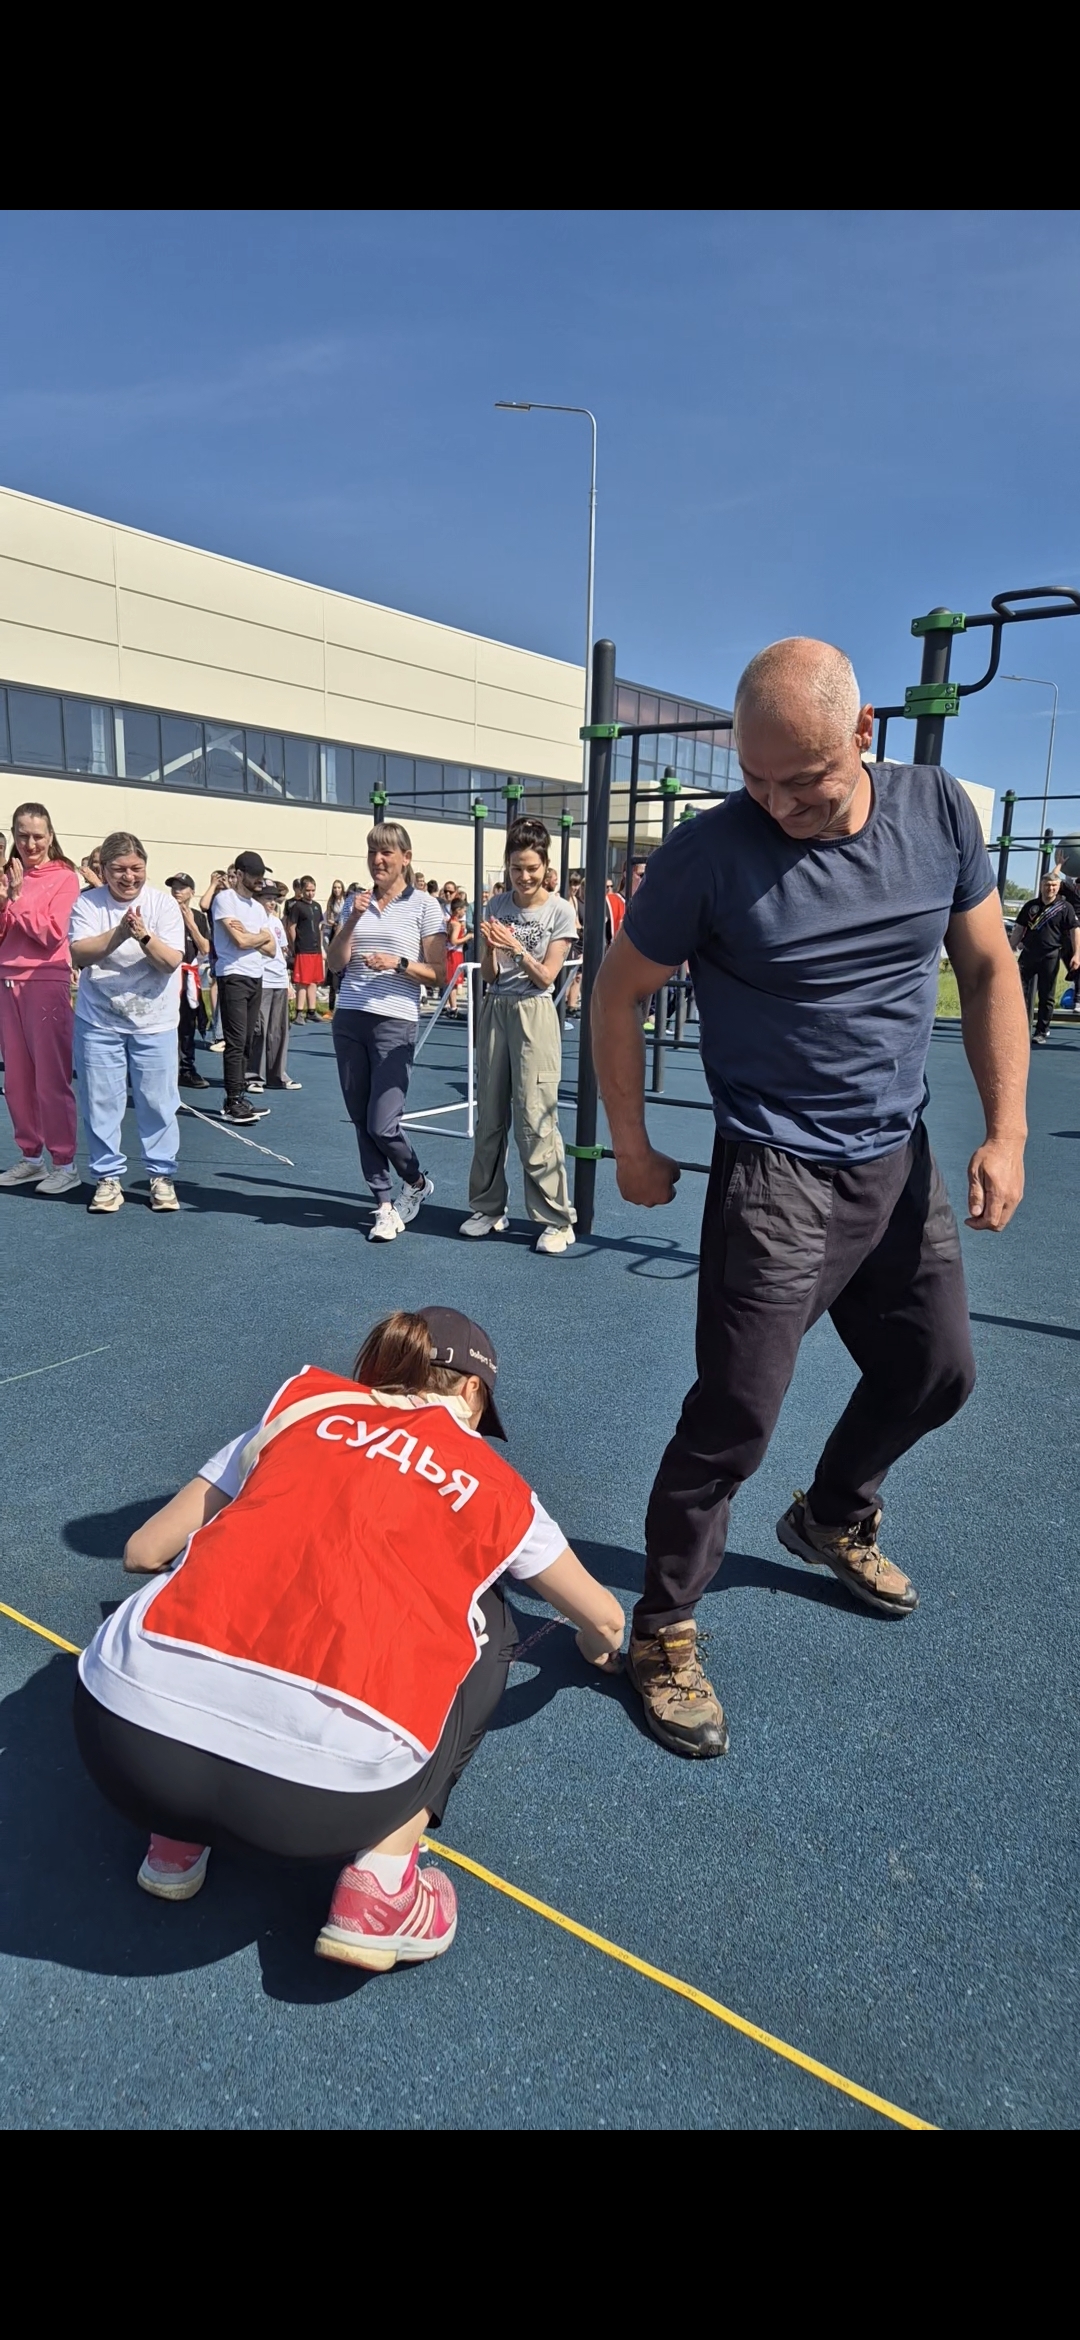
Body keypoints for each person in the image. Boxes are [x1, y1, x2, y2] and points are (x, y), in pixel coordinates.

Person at [592, 636, 1028, 1759]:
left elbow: (988, 966)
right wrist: (632, 1144)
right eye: (756, 779)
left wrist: (1008, 1130)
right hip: (775, 1174)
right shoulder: (706, 856)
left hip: (897, 1158)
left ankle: (832, 1513)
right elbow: (616, 992)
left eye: (805, 780)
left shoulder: (938, 812)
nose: (778, 804)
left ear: (864, 734)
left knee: (938, 1371)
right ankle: (663, 1627)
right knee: (735, 1415)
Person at [74, 1306, 625, 1967]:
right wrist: (598, 1647)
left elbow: (143, 1550)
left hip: (123, 1750)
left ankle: (174, 1842)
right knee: (489, 1617)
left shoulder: (302, 1405)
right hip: (321, 1802)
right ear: (473, 1391)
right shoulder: (498, 1485)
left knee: (230, 1559)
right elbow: (605, 1618)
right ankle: (382, 1884)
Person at [462, 816, 579, 1255]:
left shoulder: (560, 910)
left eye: (531, 868)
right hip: (496, 1008)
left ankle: (556, 1219)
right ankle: (488, 1207)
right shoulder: (496, 904)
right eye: (516, 868)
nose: (524, 877)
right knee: (489, 1116)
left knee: (535, 1118)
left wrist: (516, 947)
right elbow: (490, 975)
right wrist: (492, 949)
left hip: (534, 1012)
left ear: (546, 867)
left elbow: (546, 976)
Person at [327, 823, 446, 1242]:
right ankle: (382, 1204)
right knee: (361, 1119)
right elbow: (336, 963)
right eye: (372, 852)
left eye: (386, 853)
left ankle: (414, 1180)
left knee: (383, 1123)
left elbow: (438, 973)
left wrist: (398, 963)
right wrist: (352, 920)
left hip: (395, 1020)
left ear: (405, 858)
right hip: (350, 1016)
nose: (377, 860)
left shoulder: (426, 905)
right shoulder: (353, 902)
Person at [69, 831, 185, 1213]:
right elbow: (79, 953)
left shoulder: (163, 905)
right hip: (99, 1021)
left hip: (155, 1022)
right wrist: (120, 933)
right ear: (103, 869)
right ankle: (107, 1178)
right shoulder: (88, 903)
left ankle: (161, 1175)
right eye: (119, 869)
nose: (129, 877)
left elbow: (170, 961)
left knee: (158, 1102)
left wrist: (143, 935)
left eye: (136, 868)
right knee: (100, 1101)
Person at [0, 801, 81, 1196]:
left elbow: (51, 934)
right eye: (22, 836)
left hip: (45, 980)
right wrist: (4, 901)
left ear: (50, 836)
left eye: (37, 836)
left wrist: (15, 900)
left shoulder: (64, 877)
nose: (30, 844)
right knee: (16, 1081)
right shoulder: (9, 876)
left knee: (50, 1077)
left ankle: (65, 1163)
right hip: (6, 980)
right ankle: (31, 1158)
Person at [211, 853, 277, 1126]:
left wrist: (254, 936)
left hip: (255, 976)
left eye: (262, 874)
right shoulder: (225, 899)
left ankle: (240, 1095)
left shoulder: (257, 908)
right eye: (254, 875)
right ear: (239, 874)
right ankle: (232, 1100)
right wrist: (258, 937)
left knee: (248, 1039)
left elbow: (271, 948)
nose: (260, 880)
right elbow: (238, 941)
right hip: (233, 976)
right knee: (236, 1041)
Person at [1009, 870, 1079, 1045]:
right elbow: (1019, 928)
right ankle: (1020, 1028)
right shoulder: (1031, 906)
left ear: (1058, 887)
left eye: (1054, 885)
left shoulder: (1065, 908)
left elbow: (1074, 930)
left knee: (1047, 995)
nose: (1050, 888)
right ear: (1041, 886)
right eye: (1047, 885)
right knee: (1019, 992)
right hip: (1028, 954)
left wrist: (1077, 954)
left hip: (1050, 955)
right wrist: (1010, 949)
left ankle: (1041, 1031)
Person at [247, 882, 300, 1091]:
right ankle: (254, 1076)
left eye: (273, 899)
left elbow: (281, 954)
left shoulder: (276, 922)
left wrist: (287, 982)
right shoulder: (251, 921)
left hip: (278, 979)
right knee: (259, 1029)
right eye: (267, 899)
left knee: (278, 1031)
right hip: (262, 979)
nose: (271, 903)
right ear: (257, 899)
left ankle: (277, 1075)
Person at [166, 875, 210, 1090]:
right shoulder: (164, 912)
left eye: (182, 887)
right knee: (166, 1024)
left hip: (188, 976)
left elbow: (205, 948)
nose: (177, 891)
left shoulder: (198, 918)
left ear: (192, 892)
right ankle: (165, 1068)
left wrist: (191, 924)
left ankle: (186, 1068)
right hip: (167, 974)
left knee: (187, 1024)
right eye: (174, 887)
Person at [286, 876, 326, 1024]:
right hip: (303, 949)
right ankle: (299, 1013)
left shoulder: (317, 906)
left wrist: (321, 947)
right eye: (308, 890)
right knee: (303, 981)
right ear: (302, 890)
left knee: (314, 981)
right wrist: (294, 945)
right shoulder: (297, 906)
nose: (310, 893)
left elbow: (319, 928)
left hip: (315, 950)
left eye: (313, 890)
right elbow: (291, 927)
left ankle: (311, 1011)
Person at [323, 879, 347, 1009]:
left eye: (339, 887)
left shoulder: (346, 901)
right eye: (335, 888)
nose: (337, 890)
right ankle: (331, 1006)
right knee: (333, 971)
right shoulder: (331, 902)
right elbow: (328, 918)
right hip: (334, 932)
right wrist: (335, 923)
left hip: (345, 933)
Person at [445, 893, 469, 1016]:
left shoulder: (451, 922)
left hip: (451, 952)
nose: (464, 912)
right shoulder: (456, 924)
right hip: (454, 953)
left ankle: (452, 1006)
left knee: (452, 981)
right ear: (458, 910)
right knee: (453, 982)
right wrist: (467, 937)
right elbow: (454, 941)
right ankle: (453, 1007)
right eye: (464, 910)